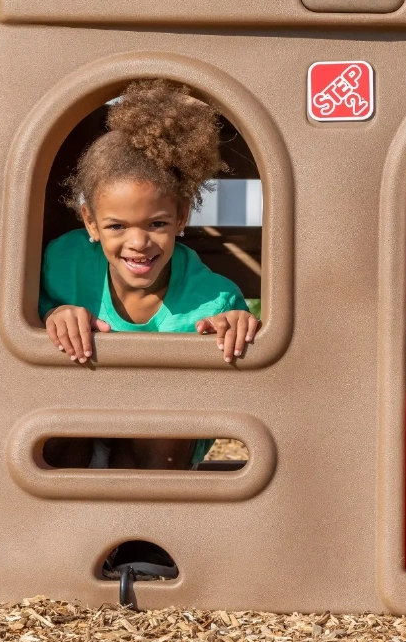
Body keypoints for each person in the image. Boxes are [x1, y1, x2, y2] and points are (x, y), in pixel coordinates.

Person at [39, 78, 259, 468]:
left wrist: (239, 325)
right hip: (77, 433)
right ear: (90, 223)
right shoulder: (63, 262)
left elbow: (245, 373)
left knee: (163, 420)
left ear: (181, 217)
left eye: (156, 224)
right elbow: (18, 322)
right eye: (117, 226)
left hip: (155, 454)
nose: (138, 243)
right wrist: (53, 316)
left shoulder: (212, 299)